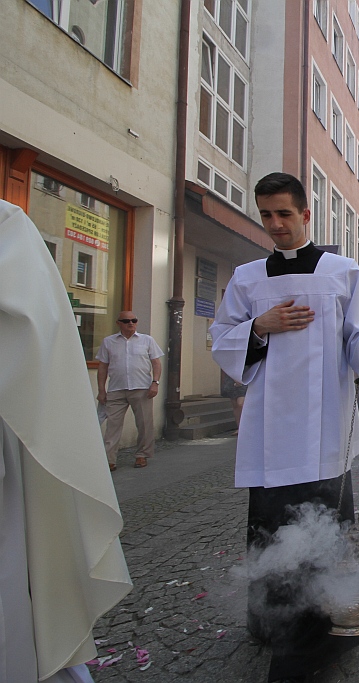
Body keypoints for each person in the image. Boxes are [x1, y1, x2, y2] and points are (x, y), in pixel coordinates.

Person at [210, 173, 359, 683]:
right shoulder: (247, 278)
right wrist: (259, 327)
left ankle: (326, 631)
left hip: (327, 428)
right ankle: (273, 624)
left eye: (284, 214)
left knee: (326, 529)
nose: (275, 224)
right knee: (273, 531)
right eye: (266, 215)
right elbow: (221, 338)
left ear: (306, 215)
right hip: (271, 431)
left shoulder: (341, 272)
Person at [0, 199, 133, 683]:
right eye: (124, 321)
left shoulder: (6, 226)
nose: (127, 327)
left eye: (131, 322)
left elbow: (35, 333)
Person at [95, 310, 164, 470]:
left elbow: (156, 363)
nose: (131, 323)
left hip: (141, 388)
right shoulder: (109, 342)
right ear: (119, 323)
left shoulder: (146, 340)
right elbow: (103, 367)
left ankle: (142, 455)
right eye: (126, 321)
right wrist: (101, 390)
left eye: (134, 320)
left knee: (144, 424)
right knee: (113, 425)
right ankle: (109, 459)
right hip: (116, 388)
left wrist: (155, 382)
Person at [221, 369, 247, 433]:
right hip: (231, 378)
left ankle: (244, 427)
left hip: (244, 377)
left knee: (240, 404)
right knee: (235, 406)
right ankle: (239, 427)